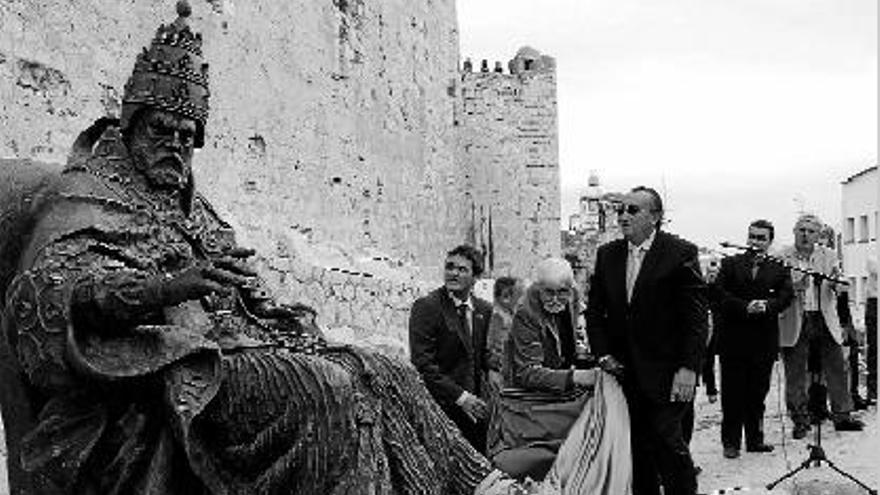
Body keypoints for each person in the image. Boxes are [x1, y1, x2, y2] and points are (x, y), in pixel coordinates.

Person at [0, 4, 523, 493]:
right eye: (162, 130)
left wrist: (279, 314)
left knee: (384, 371)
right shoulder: (90, 193)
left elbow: (240, 281)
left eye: (188, 135)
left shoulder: (191, 203)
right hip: (172, 366)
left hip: (239, 343)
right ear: (133, 124)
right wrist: (165, 288)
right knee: (326, 392)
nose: (175, 145)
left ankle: (480, 485)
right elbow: (55, 291)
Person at [586, 186, 707, 495]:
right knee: (636, 449)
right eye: (620, 210)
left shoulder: (680, 253)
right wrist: (602, 354)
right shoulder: (607, 255)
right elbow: (594, 312)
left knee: (669, 443)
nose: (623, 216)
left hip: (668, 373)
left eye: (632, 210)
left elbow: (695, 319)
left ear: (655, 216)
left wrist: (689, 369)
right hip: (624, 373)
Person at [496, 257, 631, 493]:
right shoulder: (525, 314)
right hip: (528, 402)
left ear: (571, 290)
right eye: (549, 292)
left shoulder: (572, 301)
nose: (556, 299)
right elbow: (528, 373)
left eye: (562, 292)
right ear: (538, 289)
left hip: (556, 392)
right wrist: (577, 377)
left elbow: (568, 349)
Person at [778, 214, 864, 440]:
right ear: (794, 231)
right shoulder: (781, 256)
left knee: (837, 365)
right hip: (796, 318)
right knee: (795, 372)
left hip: (823, 317)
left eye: (811, 231)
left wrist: (837, 284)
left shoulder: (828, 256)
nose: (806, 235)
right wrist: (794, 286)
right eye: (802, 230)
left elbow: (838, 285)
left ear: (818, 235)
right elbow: (776, 289)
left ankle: (842, 415)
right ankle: (800, 419)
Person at [714, 220, 793, 458]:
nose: (755, 242)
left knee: (757, 393)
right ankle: (731, 443)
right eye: (752, 237)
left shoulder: (779, 267)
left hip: (763, 340)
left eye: (761, 238)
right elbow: (718, 294)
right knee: (732, 393)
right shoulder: (730, 264)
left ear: (769, 242)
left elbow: (786, 297)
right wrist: (745, 306)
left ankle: (755, 440)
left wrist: (767, 306)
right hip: (733, 339)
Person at [409, 244, 494, 452]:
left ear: (475, 277)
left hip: (476, 413)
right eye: (450, 267)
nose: (453, 273)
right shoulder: (427, 307)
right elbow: (423, 364)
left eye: (462, 269)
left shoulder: (484, 310)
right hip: (440, 411)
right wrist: (461, 398)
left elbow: (484, 358)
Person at [485, 276, 524, 401]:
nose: (522, 300)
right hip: (500, 374)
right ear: (506, 297)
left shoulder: (509, 315)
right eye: (520, 295)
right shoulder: (498, 317)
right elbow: (493, 347)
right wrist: (494, 369)